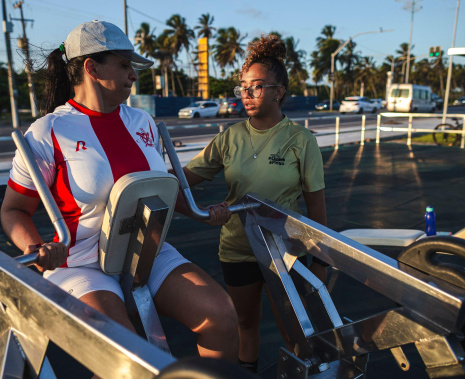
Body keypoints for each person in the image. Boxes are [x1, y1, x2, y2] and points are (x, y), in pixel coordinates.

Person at [0, 21, 239, 362]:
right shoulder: (48, 132)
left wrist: (203, 210)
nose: (132, 75)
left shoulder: (141, 122)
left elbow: (160, 190)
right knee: (123, 357)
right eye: (125, 65)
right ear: (91, 67)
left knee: (220, 316)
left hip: (147, 250)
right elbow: (13, 211)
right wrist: (35, 248)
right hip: (81, 265)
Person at [182, 34, 328, 372]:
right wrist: (202, 214)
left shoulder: (300, 140)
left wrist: (320, 262)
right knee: (244, 324)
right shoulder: (230, 137)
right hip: (237, 248)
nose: (247, 94)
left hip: (286, 252)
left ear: (280, 91)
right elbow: (181, 182)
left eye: (257, 87)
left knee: (295, 332)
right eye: (243, 87)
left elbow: (317, 208)